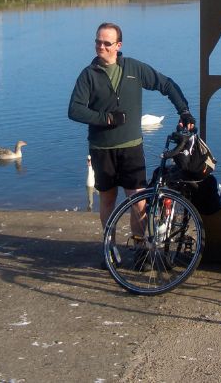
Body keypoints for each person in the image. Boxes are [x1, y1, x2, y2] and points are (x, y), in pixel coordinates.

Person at [67, 22, 195, 262]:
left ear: (118, 45)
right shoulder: (88, 75)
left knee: (137, 200)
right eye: (98, 42)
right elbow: (74, 110)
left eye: (106, 43)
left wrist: (184, 111)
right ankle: (110, 248)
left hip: (131, 148)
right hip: (102, 149)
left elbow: (166, 84)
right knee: (107, 199)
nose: (101, 47)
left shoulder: (134, 69)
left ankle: (141, 250)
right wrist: (105, 118)